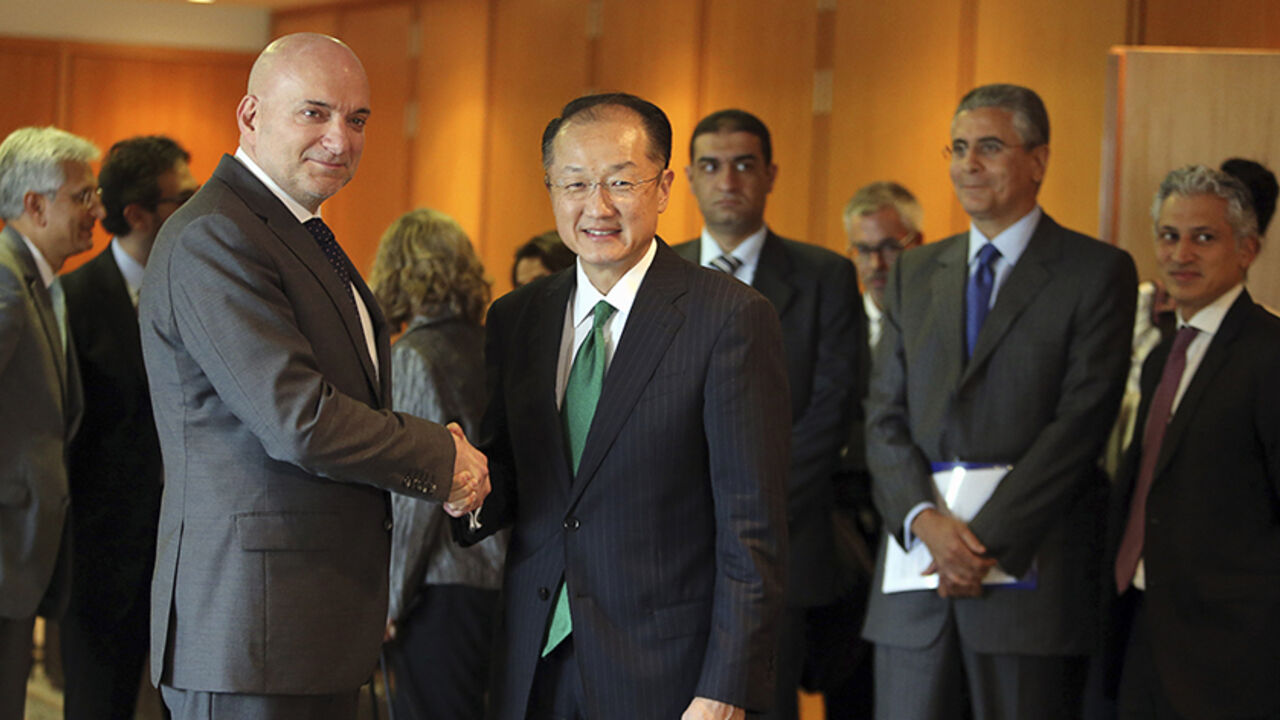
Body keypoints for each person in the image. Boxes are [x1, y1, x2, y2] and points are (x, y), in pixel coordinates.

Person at [138, 33, 488, 719]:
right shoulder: (217, 234)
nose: (340, 138)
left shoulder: (292, 231)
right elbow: (299, 419)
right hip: (251, 629)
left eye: (357, 119)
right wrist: (441, 458)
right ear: (249, 116)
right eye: (315, 113)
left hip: (303, 625)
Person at [456, 92, 790, 720]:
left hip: (668, 675)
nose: (597, 207)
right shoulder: (516, 317)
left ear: (664, 187)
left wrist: (725, 687)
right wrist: (463, 485)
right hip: (534, 663)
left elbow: (753, 531)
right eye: (575, 183)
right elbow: (513, 479)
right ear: (551, 187)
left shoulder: (730, 318)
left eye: (621, 182)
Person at [863, 83, 1137, 719]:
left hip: (1029, 587)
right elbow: (882, 417)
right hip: (915, 586)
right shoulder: (912, 271)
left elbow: (1081, 424)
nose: (969, 164)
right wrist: (925, 525)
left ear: (1038, 161)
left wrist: (980, 543)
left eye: (989, 146)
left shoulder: (1096, 272)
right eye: (958, 148)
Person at [672, 108, 859, 720]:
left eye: (744, 164)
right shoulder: (653, 273)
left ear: (771, 174)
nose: (727, 179)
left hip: (779, 546)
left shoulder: (826, 276)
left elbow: (830, 411)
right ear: (688, 180)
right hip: (665, 552)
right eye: (710, 165)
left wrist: (744, 505)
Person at [1108, 165, 1279, 719]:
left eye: (1203, 238)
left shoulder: (1269, 353)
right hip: (1141, 621)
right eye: (1168, 235)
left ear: (1247, 249)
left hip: (1232, 648)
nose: (1181, 253)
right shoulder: (1163, 355)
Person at [57, 134, 197, 720]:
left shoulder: (197, 289)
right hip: (102, 550)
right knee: (98, 703)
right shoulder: (74, 299)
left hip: (188, 546)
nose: (195, 208)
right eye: (180, 197)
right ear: (138, 213)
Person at [369, 208, 507, 720]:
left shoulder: (414, 356)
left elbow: (416, 491)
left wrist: (388, 601)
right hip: (500, 578)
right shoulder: (490, 345)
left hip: (441, 586)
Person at [0, 125, 100, 720]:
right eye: (82, 195)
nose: (97, 209)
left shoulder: (35, 278)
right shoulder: (6, 281)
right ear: (34, 205)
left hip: (21, 546)